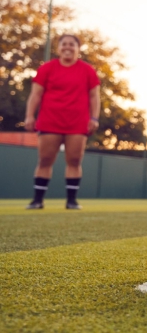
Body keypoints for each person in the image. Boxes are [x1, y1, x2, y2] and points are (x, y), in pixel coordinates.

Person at [24, 34, 100, 210]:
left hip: (77, 123)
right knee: (45, 160)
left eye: (71, 44)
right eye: (63, 44)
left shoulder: (88, 70)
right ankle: (37, 200)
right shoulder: (46, 68)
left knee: (74, 160)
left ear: (78, 48)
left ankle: (71, 201)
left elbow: (95, 96)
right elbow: (35, 94)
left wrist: (94, 118)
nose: (67, 47)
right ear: (58, 48)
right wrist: (29, 115)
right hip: (49, 121)